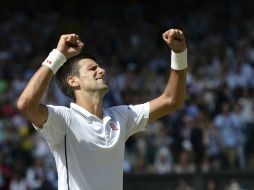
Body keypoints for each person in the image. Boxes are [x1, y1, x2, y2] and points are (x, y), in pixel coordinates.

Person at [17, 28, 187, 190]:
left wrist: (179, 54)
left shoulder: (122, 116)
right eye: (92, 69)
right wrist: (58, 55)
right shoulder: (63, 119)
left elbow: (171, 100)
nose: (102, 70)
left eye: (99, 67)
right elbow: (26, 105)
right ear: (73, 81)